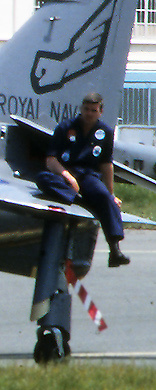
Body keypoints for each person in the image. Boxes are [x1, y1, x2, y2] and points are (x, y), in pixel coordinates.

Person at [36, 93, 129, 267]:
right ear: (81, 109)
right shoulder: (65, 127)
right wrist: (68, 177)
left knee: (104, 197)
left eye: (93, 110)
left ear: (100, 112)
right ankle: (77, 199)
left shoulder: (105, 133)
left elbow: (106, 165)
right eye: (86, 109)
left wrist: (111, 194)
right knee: (42, 178)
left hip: (88, 176)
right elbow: (51, 160)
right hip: (65, 175)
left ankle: (115, 250)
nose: (89, 114)